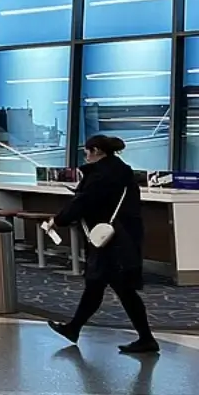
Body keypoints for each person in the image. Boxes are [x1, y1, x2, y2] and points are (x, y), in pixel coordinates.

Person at [47, 134, 158, 354]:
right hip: (121, 236)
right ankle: (74, 328)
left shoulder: (102, 175)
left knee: (118, 288)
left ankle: (146, 338)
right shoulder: (121, 172)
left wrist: (58, 220)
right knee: (98, 285)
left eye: (87, 151)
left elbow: (84, 201)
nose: (86, 155)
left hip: (111, 241)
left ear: (97, 151)